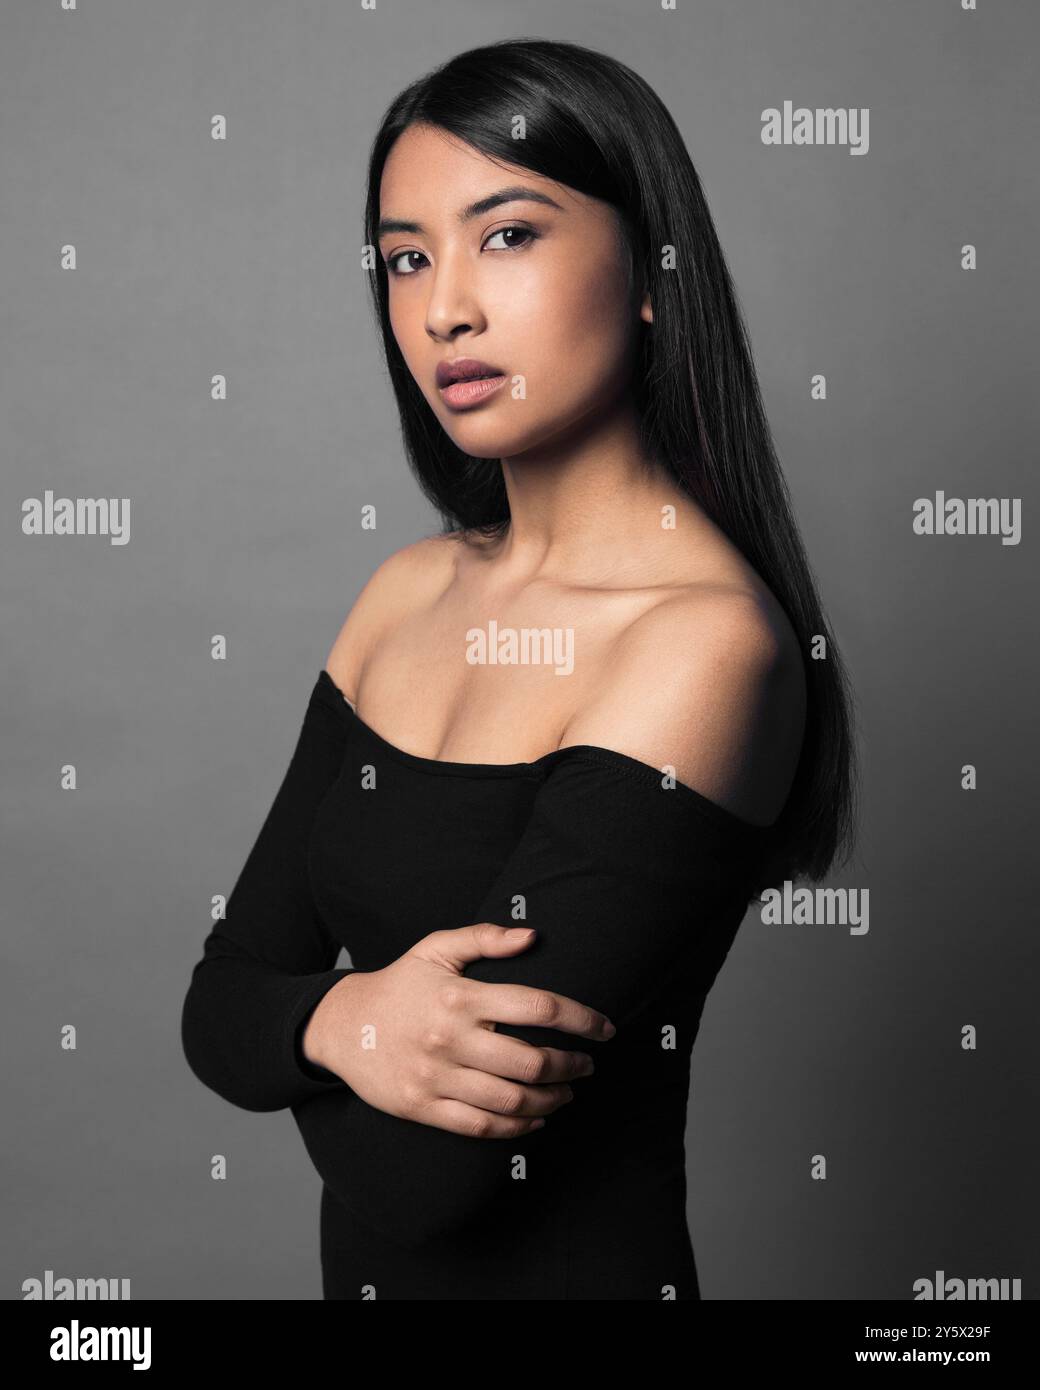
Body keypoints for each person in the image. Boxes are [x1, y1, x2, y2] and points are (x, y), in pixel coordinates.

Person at [181, 37, 858, 1300]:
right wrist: (343, 1023)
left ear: (653, 270)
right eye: (404, 257)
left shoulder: (705, 645)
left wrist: (296, 1025)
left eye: (505, 235)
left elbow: (423, 1177)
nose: (443, 307)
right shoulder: (403, 592)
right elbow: (216, 999)